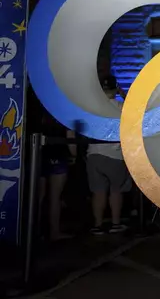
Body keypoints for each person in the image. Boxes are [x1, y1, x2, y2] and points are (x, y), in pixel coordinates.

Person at [86, 78, 132, 235]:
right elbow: (137, 111)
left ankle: (97, 225)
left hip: (93, 153)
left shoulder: (92, 107)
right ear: (115, 89)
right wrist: (123, 93)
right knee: (115, 191)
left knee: (98, 192)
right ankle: (115, 223)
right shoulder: (121, 107)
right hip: (114, 155)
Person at [39, 112, 75, 241]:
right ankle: (54, 232)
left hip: (40, 155)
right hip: (59, 155)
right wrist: (74, 154)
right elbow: (70, 136)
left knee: (39, 196)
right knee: (55, 197)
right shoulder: (63, 114)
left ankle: (36, 230)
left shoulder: (41, 114)